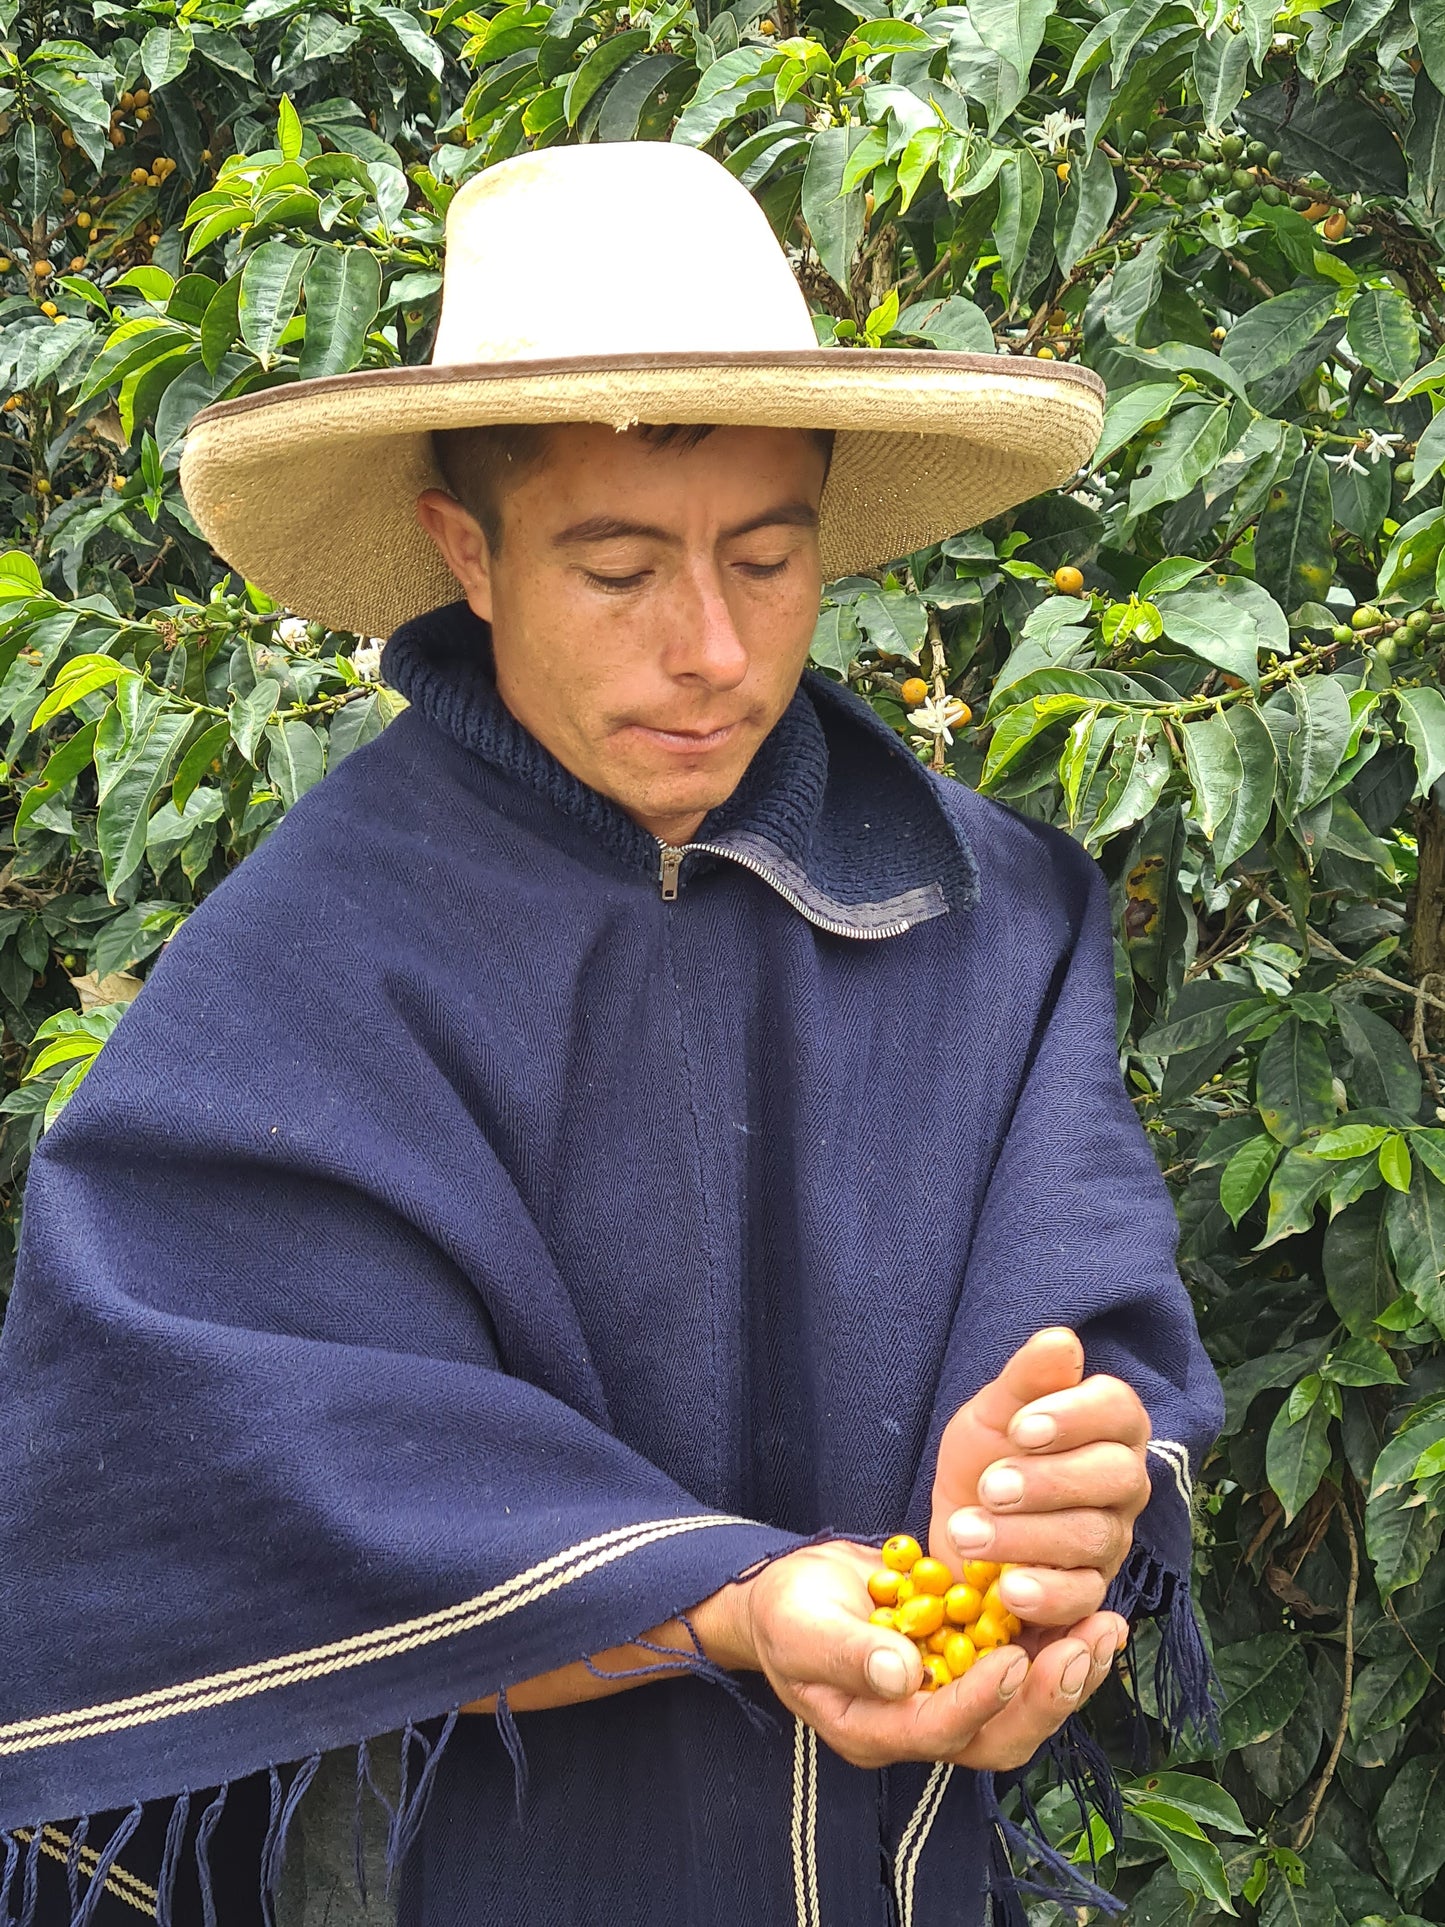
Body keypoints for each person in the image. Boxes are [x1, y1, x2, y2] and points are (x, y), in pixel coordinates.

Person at [0, 142, 1222, 1927]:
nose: (713, 650)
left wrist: (1048, 1521)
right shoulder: (305, 968)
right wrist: (728, 1603)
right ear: (462, 553)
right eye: (616, 568)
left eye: (766, 556)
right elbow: (200, 1478)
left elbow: (1092, 1339)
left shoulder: (999, 912)